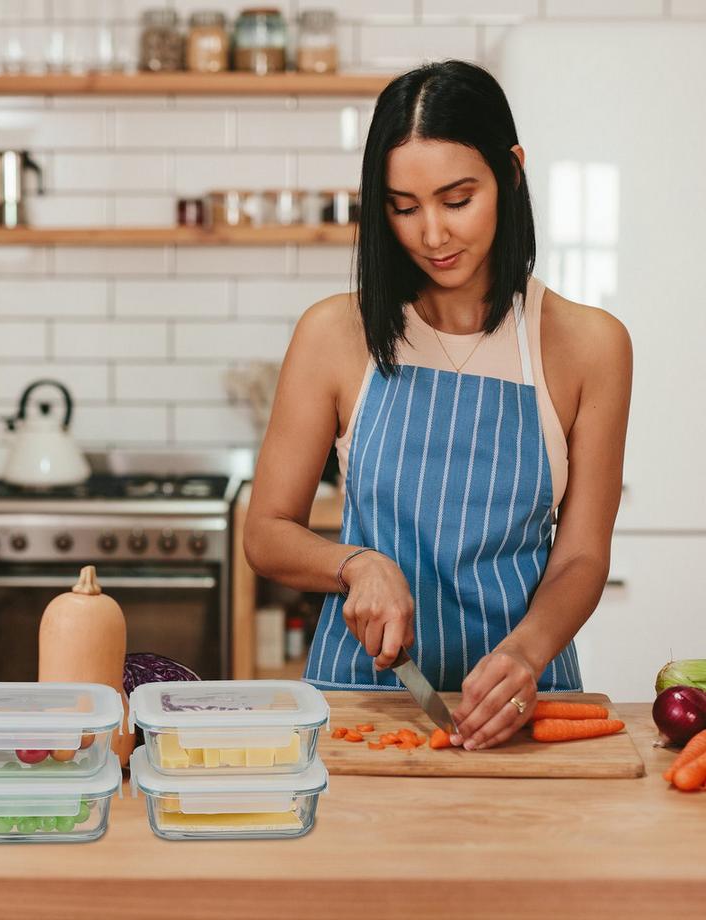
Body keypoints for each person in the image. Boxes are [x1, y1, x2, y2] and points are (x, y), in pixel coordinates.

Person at [243, 60, 632, 753]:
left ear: (511, 173)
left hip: (526, 708)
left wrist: (525, 654)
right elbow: (266, 533)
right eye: (403, 207)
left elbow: (581, 556)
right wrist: (356, 564)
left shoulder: (590, 346)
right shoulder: (333, 334)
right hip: (359, 705)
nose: (432, 235)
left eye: (457, 200)